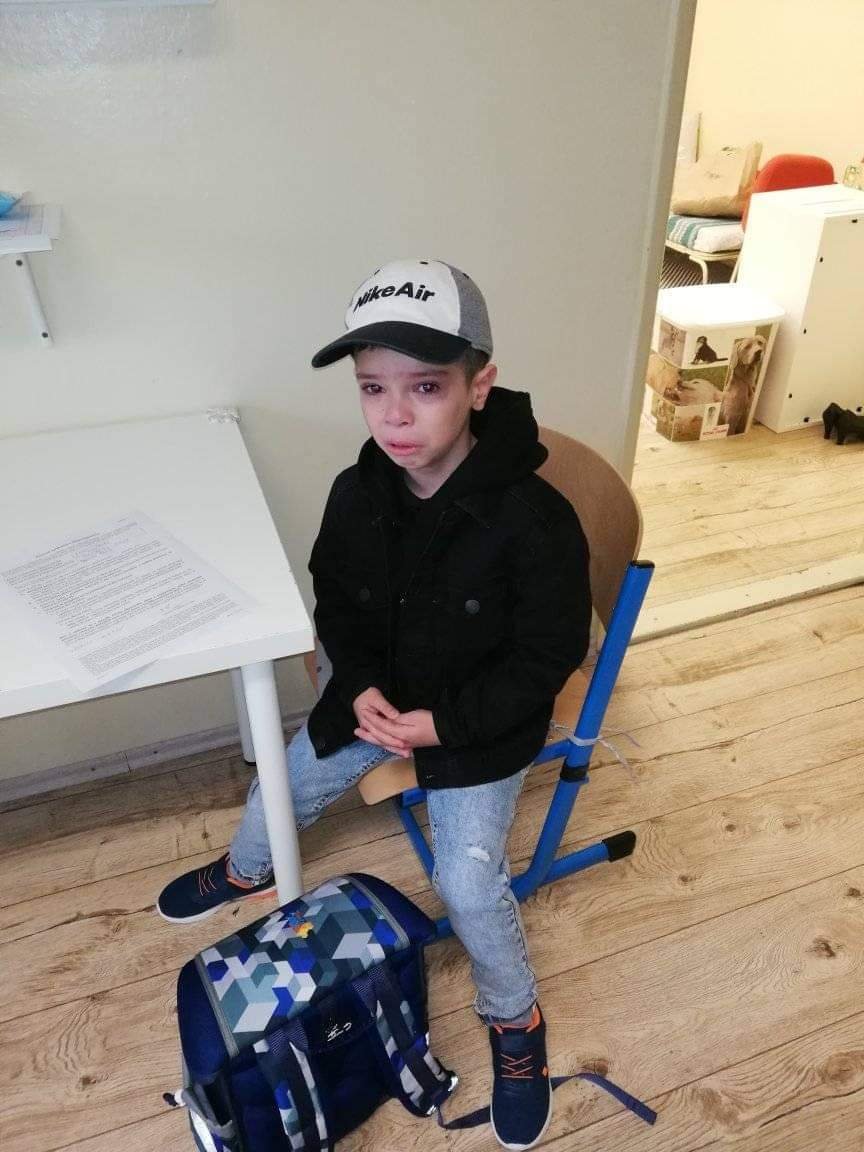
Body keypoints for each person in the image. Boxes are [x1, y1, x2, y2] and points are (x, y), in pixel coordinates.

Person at [157, 258, 591, 1150]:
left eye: (425, 387)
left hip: (477, 723)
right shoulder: (358, 491)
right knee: (276, 788)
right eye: (372, 388)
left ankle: (515, 1017)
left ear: (479, 386)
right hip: (375, 701)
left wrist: (443, 725)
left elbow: (549, 656)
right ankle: (245, 869)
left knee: (468, 881)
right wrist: (355, 688)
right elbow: (337, 604)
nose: (394, 415)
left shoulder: (537, 521)